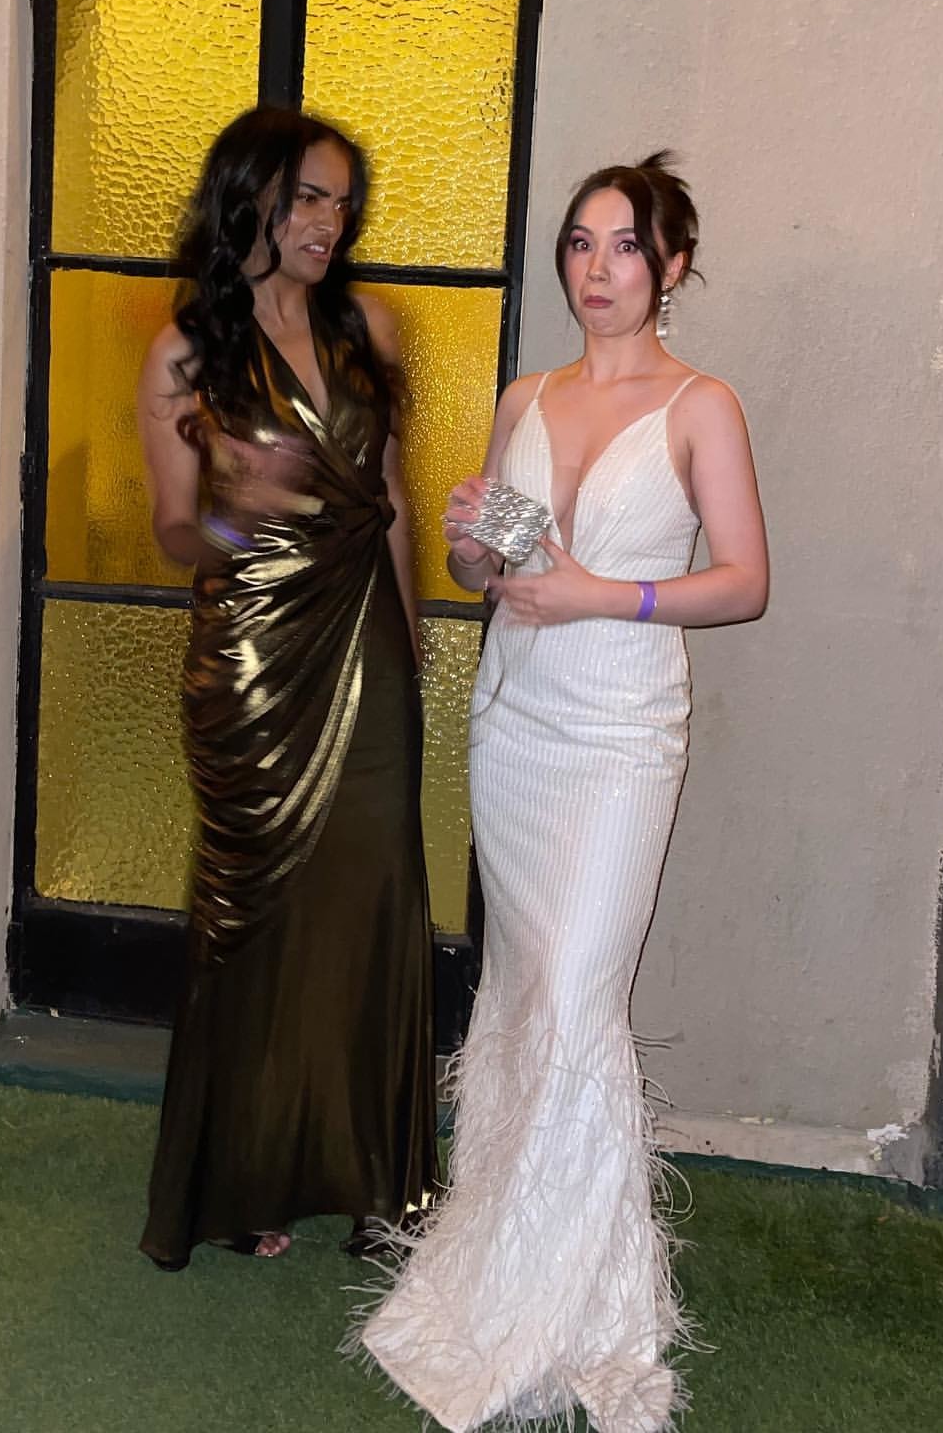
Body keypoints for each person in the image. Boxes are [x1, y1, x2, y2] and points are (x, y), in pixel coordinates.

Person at [356, 153, 769, 1430]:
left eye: (626, 245)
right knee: (527, 989)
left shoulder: (703, 405)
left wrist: (604, 592)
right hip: (516, 725)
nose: (598, 268)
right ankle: (507, 1254)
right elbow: (481, 569)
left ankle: (581, 1305)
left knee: (581, 993)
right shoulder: (525, 395)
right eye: (581, 243)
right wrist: (471, 540)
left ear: (672, 266)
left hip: (621, 732)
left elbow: (744, 582)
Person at [136, 107, 437, 1270]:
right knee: (255, 921)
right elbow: (173, 529)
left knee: (374, 905)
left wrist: (410, 647)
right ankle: (250, 1174)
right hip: (254, 664)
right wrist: (237, 510)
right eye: (309, 197)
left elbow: (393, 496)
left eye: (342, 202)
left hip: (366, 644)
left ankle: (378, 1182)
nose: (330, 222)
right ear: (250, 199)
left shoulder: (370, 326)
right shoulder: (184, 353)